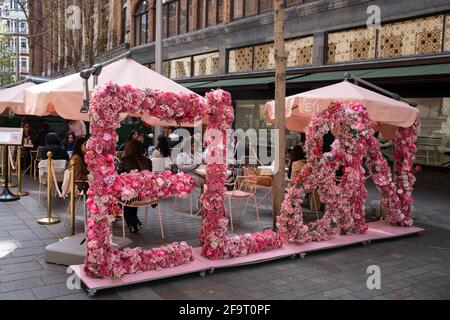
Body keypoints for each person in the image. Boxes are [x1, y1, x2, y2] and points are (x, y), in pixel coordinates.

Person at [118, 140, 152, 233]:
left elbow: (118, 177)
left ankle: (133, 223)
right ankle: (134, 223)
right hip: (145, 196)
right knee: (132, 195)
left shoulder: (125, 160)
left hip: (130, 195)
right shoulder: (147, 161)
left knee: (118, 197)